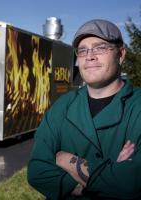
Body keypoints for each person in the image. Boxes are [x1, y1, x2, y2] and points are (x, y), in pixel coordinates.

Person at [27, 19, 141, 200]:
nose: (90, 56)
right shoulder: (62, 106)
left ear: (121, 54)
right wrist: (111, 174)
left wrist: (66, 161)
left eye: (100, 47)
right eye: (82, 50)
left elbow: (133, 183)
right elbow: (37, 172)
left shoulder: (137, 107)